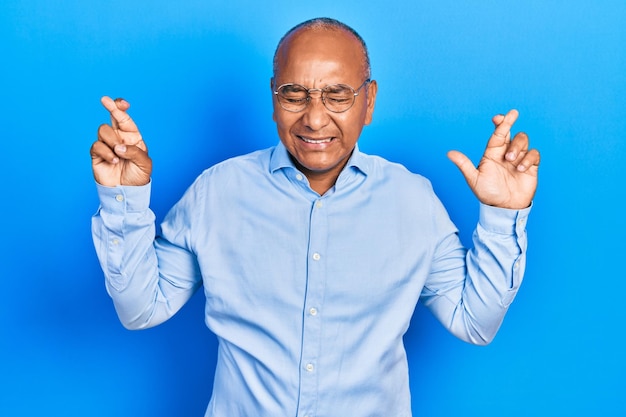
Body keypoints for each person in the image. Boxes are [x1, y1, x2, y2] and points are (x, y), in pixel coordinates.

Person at [90, 17, 540, 417]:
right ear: (273, 97)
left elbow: (474, 322)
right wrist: (123, 198)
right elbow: (140, 309)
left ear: (369, 102)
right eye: (295, 94)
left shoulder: (412, 200)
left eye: (337, 95)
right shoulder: (217, 191)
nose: (315, 118)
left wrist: (503, 213)